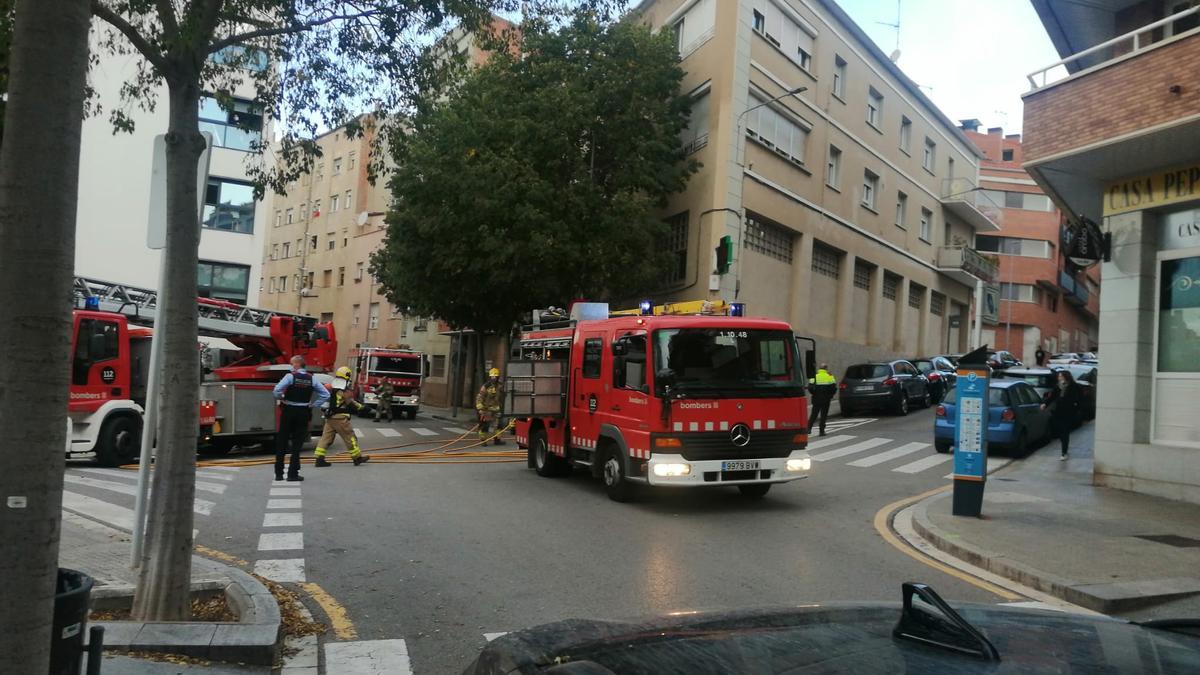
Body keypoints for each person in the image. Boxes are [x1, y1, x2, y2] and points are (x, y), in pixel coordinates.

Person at [273, 355, 330, 481]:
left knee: (282, 441)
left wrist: (281, 397)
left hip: (288, 411)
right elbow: (325, 394)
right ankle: (293, 474)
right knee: (297, 444)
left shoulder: (290, 377)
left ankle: (278, 473)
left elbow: (277, 390)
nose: (291, 366)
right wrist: (313, 405)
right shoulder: (312, 379)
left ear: (297, 364)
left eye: (292, 363)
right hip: (303, 412)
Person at [315, 366, 370, 468]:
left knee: (326, 438)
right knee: (350, 437)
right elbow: (350, 403)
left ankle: (319, 459)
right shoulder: (344, 388)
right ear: (347, 376)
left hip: (330, 417)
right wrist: (362, 408)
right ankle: (357, 458)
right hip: (340, 418)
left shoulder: (332, 386)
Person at [1042, 369, 1082, 461]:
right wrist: (1045, 404)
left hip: (1068, 412)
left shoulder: (1074, 386)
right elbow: (1052, 397)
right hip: (1058, 412)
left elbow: (1079, 399)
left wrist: (1076, 408)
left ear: (1065, 377)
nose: (1058, 378)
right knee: (1060, 431)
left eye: (1060, 376)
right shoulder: (1058, 387)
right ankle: (1064, 448)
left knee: (1065, 432)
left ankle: (1064, 452)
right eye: (1058, 376)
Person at [475, 367, 505, 445]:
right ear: (490, 377)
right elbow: (480, 397)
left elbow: (503, 397)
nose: (494, 378)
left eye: (495, 376)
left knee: (499, 425)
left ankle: (497, 440)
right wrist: (481, 409)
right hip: (487, 410)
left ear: (498, 377)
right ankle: (483, 441)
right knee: (485, 426)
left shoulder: (500, 386)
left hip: (497, 409)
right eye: (492, 376)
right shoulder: (486, 386)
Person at [807, 364, 837, 436]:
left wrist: (814, 394)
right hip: (826, 399)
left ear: (819, 369)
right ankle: (821, 431)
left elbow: (810, 388)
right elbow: (834, 388)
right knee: (824, 415)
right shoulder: (830, 376)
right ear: (826, 368)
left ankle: (808, 429)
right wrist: (830, 395)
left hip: (816, 399)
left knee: (814, 414)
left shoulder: (814, 376)